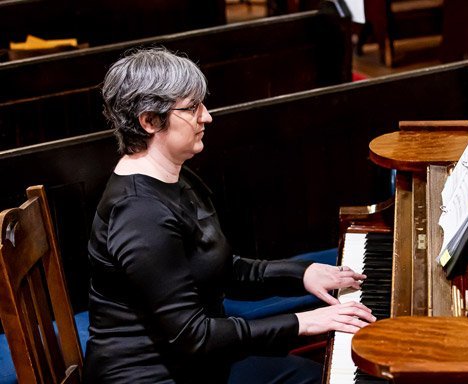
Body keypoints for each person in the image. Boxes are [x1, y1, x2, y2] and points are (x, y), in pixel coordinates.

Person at [82, 47, 376, 384]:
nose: (206, 117)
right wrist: (305, 322)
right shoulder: (139, 215)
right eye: (192, 108)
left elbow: (219, 268)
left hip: (198, 361)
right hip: (155, 374)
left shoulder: (175, 175)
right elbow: (194, 336)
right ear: (149, 121)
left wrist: (302, 274)